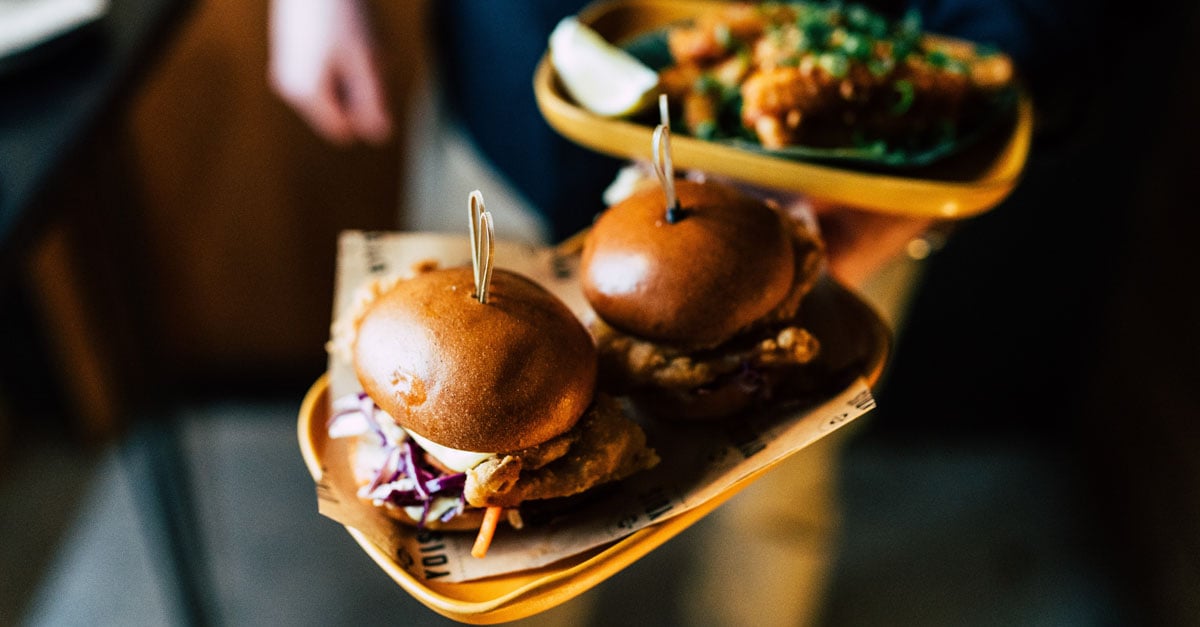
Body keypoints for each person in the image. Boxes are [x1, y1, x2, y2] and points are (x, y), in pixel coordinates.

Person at [267, 0, 1136, 625]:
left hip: (824, 178)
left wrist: (936, 146)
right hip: (503, 92)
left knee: (776, 496)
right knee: (503, 557)